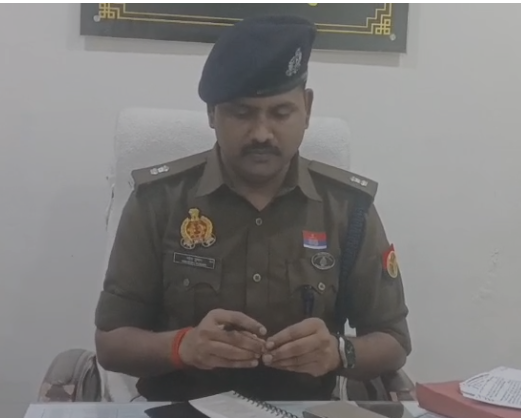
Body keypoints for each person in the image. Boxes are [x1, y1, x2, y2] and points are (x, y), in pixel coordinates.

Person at [94, 14, 411, 402]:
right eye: (242, 113)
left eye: (280, 113)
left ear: (307, 108)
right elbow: (111, 342)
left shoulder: (348, 209)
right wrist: (183, 346)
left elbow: (394, 340)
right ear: (212, 114)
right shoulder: (159, 201)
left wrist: (338, 351)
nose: (262, 133)